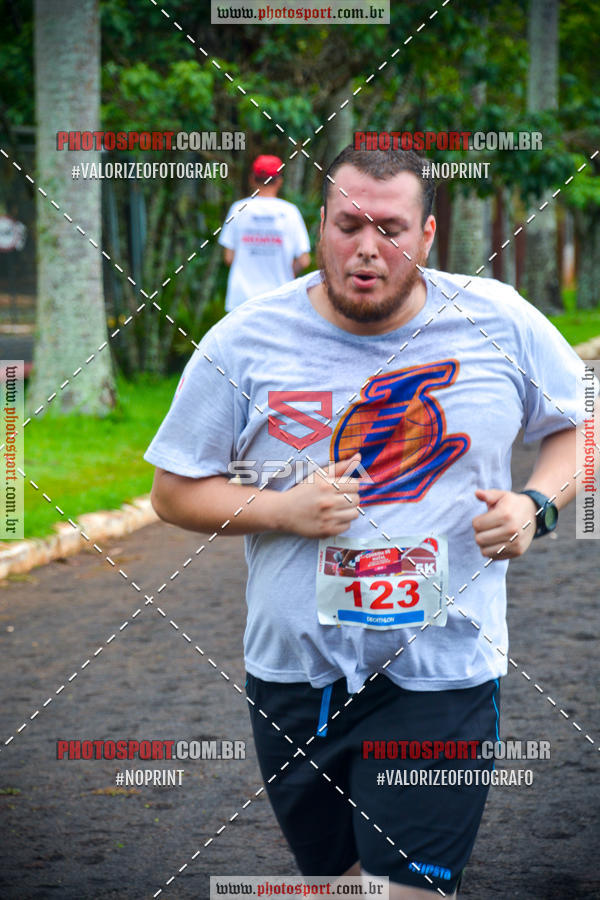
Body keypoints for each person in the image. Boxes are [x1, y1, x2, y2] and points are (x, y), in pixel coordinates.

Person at [145, 146, 597, 897]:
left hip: (441, 671)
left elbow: (583, 417)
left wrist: (536, 503)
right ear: (318, 228)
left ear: (425, 237)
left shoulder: (497, 320)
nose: (366, 247)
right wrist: (282, 509)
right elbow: (173, 491)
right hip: (293, 675)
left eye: (389, 227)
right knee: (347, 885)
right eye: (349, 223)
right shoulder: (244, 340)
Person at [218, 154, 311, 311]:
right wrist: (287, 272)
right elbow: (304, 260)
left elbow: (228, 257)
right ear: (279, 181)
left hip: (242, 300)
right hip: (279, 300)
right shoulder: (290, 212)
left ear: (253, 179)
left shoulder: (238, 209)